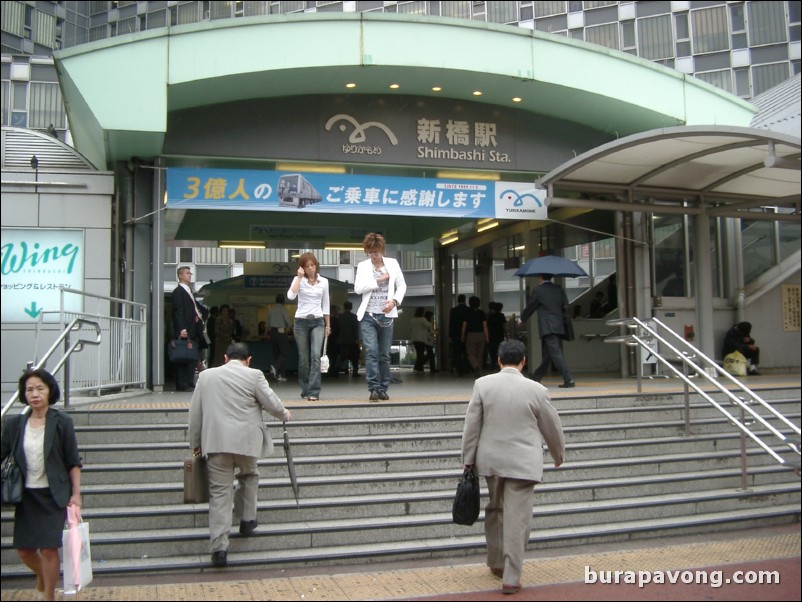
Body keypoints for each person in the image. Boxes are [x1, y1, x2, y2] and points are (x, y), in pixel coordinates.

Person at [460, 340, 565, 595]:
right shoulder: (536, 389)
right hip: (523, 463)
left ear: (498, 360)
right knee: (517, 518)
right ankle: (511, 575)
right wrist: (557, 453)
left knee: (495, 509)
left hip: (491, 461)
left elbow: (471, 425)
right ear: (523, 361)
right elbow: (551, 425)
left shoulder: (483, 385)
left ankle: (496, 563)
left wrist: (468, 458)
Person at [188, 342, 291, 568]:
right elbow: (272, 403)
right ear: (248, 359)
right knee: (249, 476)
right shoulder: (254, 375)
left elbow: (195, 413)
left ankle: (219, 549)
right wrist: (284, 414)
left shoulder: (206, 376)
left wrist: (195, 443)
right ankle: (247, 520)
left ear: (225, 358)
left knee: (219, 494)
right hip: (247, 443)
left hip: (216, 443)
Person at [1, 368, 82, 601]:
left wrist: (76, 494)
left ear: (49, 391)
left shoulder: (61, 422)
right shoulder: (14, 424)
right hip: (25, 496)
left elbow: (73, 461)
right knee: (25, 551)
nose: (34, 393)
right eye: (29, 389)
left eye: (40, 388)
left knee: (48, 548)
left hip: (53, 495)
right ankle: (42, 576)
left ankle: (48, 596)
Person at [354, 232, 407, 402]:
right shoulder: (363, 266)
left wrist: (395, 301)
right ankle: (373, 388)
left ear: (382, 250)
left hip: (387, 316)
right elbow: (358, 288)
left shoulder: (392, 264)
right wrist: (378, 281)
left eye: (376, 252)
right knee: (371, 351)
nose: (373, 256)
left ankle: (383, 388)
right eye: (370, 253)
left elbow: (402, 285)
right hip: (368, 315)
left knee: (384, 354)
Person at [287, 252, 330, 401]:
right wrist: (299, 278)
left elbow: (326, 304)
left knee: (315, 356)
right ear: (302, 268)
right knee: (304, 358)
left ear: (316, 265)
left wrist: (327, 325)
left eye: (312, 265)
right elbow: (290, 296)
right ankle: (305, 389)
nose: (310, 269)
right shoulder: (298, 280)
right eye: (307, 266)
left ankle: (314, 392)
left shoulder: (324, 281)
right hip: (300, 321)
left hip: (318, 321)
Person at [520, 274, 575, 388]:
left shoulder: (538, 291)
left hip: (548, 326)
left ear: (540, 277)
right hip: (559, 325)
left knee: (555, 353)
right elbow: (565, 306)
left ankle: (568, 378)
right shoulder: (559, 289)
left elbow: (531, 306)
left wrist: (522, 319)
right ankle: (536, 378)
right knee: (548, 355)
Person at [172, 265, 205, 391]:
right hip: (185, 330)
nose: (190, 275)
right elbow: (178, 311)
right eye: (187, 273)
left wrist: (198, 316)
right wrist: (182, 329)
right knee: (183, 356)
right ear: (180, 275)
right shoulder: (178, 292)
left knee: (191, 356)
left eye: (190, 273)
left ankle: (190, 382)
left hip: (193, 328)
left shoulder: (189, 291)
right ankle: (182, 384)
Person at [462, 295, 489, 378]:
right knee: (479, 354)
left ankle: (475, 366)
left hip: (471, 334)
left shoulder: (467, 312)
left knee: (470, 353)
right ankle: (479, 372)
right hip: (481, 334)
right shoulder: (481, 312)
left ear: (469, 303)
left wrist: (462, 335)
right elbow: (485, 325)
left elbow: (464, 325)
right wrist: (487, 336)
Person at [267, 294, 291, 382]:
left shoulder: (271, 310)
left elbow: (268, 324)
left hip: (272, 333)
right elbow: (288, 322)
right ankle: (275, 367)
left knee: (277, 354)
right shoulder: (284, 310)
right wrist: (290, 326)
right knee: (285, 352)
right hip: (281, 332)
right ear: (283, 301)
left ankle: (279, 375)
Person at [336, 301, 361, 377]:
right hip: (352, 340)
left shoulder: (340, 317)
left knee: (341, 356)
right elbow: (355, 329)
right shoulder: (354, 317)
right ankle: (355, 372)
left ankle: (335, 370)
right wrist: (357, 339)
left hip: (342, 339)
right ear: (351, 307)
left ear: (344, 307)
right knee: (354, 357)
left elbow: (338, 328)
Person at [448, 294, 470, 376]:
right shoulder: (468, 310)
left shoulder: (453, 310)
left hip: (455, 334)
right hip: (467, 334)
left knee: (456, 352)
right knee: (466, 352)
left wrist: (450, 334)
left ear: (458, 300)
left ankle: (458, 368)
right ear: (465, 300)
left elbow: (451, 323)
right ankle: (466, 368)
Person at [410, 307, 435, 373]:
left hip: (414, 339)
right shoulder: (423, 319)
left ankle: (420, 369)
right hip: (421, 339)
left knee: (419, 354)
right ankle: (416, 367)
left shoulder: (413, 319)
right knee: (421, 355)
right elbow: (428, 325)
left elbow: (411, 328)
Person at [486, 302, 507, 372]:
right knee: (499, 349)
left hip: (492, 335)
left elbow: (487, 326)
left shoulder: (491, 316)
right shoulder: (501, 316)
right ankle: (498, 363)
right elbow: (504, 326)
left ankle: (492, 364)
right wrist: (506, 334)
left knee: (492, 350)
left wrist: (488, 335)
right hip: (500, 335)